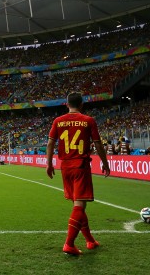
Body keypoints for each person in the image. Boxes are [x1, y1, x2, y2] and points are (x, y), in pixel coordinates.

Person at [45, 92, 110, 256]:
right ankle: (69, 244)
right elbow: (98, 144)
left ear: (67, 104)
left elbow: (50, 143)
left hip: (65, 167)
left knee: (80, 204)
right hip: (80, 166)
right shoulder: (88, 120)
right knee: (79, 205)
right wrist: (105, 162)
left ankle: (90, 240)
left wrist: (48, 164)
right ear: (81, 105)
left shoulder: (58, 121)